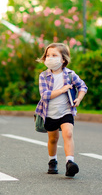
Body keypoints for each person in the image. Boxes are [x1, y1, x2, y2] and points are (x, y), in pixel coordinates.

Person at [35, 43, 88, 177]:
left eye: (54, 55)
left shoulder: (70, 74)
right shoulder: (43, 76)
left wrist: (79, 99)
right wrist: (62, 90)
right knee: (53, 139)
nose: (50, 58)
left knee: (68, 134)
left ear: (63, 59)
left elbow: (83, 86)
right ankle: (52, 161)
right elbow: (45, 95)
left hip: (66, 111)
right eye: (48, 55)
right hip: (49, 113)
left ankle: (70, 163)